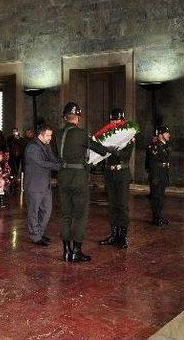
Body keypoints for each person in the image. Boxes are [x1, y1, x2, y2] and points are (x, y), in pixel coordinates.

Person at [57, 102, 111, 263]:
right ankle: (76, 251)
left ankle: (66, 251)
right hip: (78, 177)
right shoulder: (81, 133)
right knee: (80, 215)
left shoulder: (57, 134)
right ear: (78, 117)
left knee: (66, 214)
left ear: (65, 117)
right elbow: (101, 150)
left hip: (63, 176)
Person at [99, 108, 135, 249]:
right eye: (112, 120)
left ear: (123, 121)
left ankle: (122, 237)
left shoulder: (129, 136)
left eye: (117, 120)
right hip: (109, 173)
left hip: (121, 173)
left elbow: (125, 155)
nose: (114, 122)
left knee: (122, 205)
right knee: (112, 205)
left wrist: (113, 149)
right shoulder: (107, 135)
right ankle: (113, 235)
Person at [24, 125, 62, 246]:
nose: (50, 138)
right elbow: (43, 163)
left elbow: (53, 159)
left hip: (45, 185)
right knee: (33, 212)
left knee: (47, 211)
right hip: (34, 186)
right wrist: (61, 166)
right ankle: (35, 236)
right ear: (40, 135)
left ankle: (39, 232)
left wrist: (63, 162)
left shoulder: (46, 145)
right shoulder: (32, 147)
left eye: (50, 135)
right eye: (48, 135)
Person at [146, 125, 171, 226]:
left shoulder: (164, 145)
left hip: (163, 174)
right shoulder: (155, 146)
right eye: (166, 133)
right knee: (156, 197)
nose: (168, 135)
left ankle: (159, 216)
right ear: (160, 135)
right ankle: (156, 218)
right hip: (157, 175)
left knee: (161, 197)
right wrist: (155, 177)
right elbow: (152, 163)